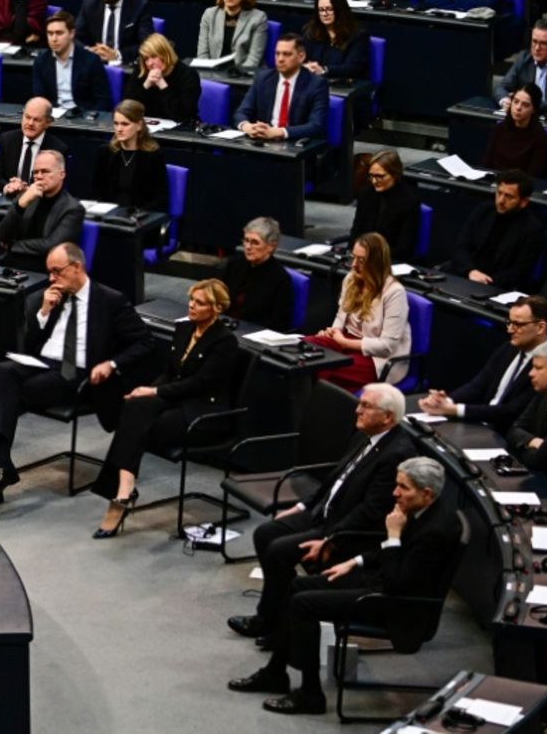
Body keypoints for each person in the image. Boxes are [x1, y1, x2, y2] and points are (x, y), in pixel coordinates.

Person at [230, 458, 460, 717]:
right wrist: (353, 562)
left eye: (403, 488)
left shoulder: (437, 531)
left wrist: (394, 535)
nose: (395, 493)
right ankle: (275, 673)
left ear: (426, 493)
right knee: (296, 586)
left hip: (395, 605)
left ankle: (310, 695)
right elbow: (387, 555)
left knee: (303, 604)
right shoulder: (422, 512)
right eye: (396, 485)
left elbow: (399, 583)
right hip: (380, 583)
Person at [0, 241, 154, 508]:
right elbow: (27, 343)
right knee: (3, 371)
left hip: (77, 371)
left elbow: (144, 342)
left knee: (8, 390)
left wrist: (112, 364)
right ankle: (0, 468)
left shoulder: (110, 300)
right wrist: (44, 312)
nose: (51, 278)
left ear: (77, 267)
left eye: (57, 271)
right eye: (49, 272)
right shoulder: (52, 296)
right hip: (42, 363)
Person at [225, 383, 414, 652]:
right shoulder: (366, 435)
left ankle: (271, 620)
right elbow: (335, 479)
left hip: (345, 530)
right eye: (360, 404)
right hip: (323, 512)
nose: (357, 410)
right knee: (265, 533)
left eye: (366, 406)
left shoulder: (396, 453)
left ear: (388, 417)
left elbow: (371, 512)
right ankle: (276, 613)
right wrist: (302, 507)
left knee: (279, 551)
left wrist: (331, 539)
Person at [91, 279, 238, 537]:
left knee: (136, 422)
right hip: (176, 399)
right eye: (191, 300)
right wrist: (147, 390)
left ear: (216, 309)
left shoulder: (225, 342)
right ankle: (124, 489)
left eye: (200, 303)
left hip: (203, 412)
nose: (192, 306)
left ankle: (121, 492)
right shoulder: (183, 329)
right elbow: (170, 373)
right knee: (135, 406)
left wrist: (155, 391)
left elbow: (200, 384)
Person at [418, 295, 547, 431]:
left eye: (518, 324)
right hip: (481, 422)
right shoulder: (509, 348)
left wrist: (453, 409)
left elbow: (510, 412)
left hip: (506, 433)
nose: (510, 330)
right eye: (509, 322)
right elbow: (478, 385)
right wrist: (446, 401)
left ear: (540, 327)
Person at [305, 232, 411, 390]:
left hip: (376, 357)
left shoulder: (394, 293)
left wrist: (344, 342)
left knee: (325, 368)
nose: (354, 265)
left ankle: (316, 409)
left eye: (361, 260)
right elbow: (341, 317)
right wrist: (333, 332)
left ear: (376, 263)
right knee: (303, 347)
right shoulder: (351, 279)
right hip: (345, 341)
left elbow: (387, 346)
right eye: (353, 257)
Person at [445, 170, 546, 291]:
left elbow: (519, 273)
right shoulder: (484, 211)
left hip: (498, 287)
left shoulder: (533, 229)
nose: (501, 200)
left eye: (509, 196)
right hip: (467, 275)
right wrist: (471, 271)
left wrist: (485, 280)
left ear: (523, 202)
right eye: (499, 193)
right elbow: (461, 247)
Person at [0, 149, 85, 272]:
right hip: (13, 262)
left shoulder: (73, 209)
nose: (39, 177)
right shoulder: (27, 197)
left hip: (46, 268)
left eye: (45, 172)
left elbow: (51, 245)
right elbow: (2, 235)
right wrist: (21, 204)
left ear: (62, 174)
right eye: (35, 172)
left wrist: (13, 245)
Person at [234, 33, 330, 141]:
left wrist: (278, 132)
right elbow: (242, 112)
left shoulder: (316, 84)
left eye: (287, 54)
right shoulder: (263, 79)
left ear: (301, 56)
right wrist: (248, 127)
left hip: (293, 143)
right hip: (263, 141)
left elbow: (316, 125)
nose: (280, 59)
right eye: (277, 54)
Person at [93, 99, 169, 211]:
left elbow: (160, 200)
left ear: (139, 125)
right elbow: (96, 192)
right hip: (109, 217)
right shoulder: (105, 152)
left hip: (139, 219)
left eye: (125, 124)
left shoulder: (153, 156)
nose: (119, 129)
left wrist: (137, 216)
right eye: (116, 123)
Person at [507, 339, 547, 484]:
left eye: (538, 368)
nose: (531, 374)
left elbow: (538, 461)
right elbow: (513, 430)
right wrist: (533, 441)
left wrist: (524, 444)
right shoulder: (544, 395)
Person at [222, 216, 295, 332]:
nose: (248, 247)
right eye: (246, 240)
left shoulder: (280, 279)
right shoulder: (234, 264)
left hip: (251, 335)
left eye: (255, 242)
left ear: (271, 246)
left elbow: (278, 323)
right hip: (225, 326)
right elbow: (218, 299)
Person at [74, 0, 154, 65]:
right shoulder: (89, 5)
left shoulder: (139, 7)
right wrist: (89, 51)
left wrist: (116, 54)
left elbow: (147, 45)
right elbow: (74, 37)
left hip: (125, 66)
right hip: (95, 65)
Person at [31, 12, 112, 113]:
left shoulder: (91, 60)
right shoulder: (41, 60)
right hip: (53, 116)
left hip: (82, 117)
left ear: (72, 33)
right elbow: (39, 97)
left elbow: (103, 100)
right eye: (50, 33)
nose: (54, 39)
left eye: (59, 33)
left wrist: (90, 118)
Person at [0, 97, 69, 195]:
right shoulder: (7, 139)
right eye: (27, 117)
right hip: (10, 199)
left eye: (36, 120)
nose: (30, 123)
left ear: (48, 122)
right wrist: (8, 186)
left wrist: (29, 191)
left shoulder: (58, 148)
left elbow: (56, 186)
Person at [349, 149, 419, 262]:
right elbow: (356, 230)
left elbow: (405, 247)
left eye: (380, 176)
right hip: (362, 256)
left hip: (389, 260)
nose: (374, 181)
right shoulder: (366, 193)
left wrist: (373, 257)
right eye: (371, 176)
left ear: (395, 175)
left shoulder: (409, 201)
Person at [197, 0, 270, 73]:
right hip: (213, 74)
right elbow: (202, 55)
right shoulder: (209, 15)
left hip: (243, 76)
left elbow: (253, 61)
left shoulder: (258, 18)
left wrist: (235, 75)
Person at [123, 32, 202, 123]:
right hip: (149, 129)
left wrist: (162, 85)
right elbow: (127, 110)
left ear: (166, 54)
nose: (149, 63)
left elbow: (181, 115)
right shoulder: (141, 72)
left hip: (181, 131)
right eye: (146, 59)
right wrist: (146, 85)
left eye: (153, 56)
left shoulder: (188, 75)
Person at [481, 83, 547, 179]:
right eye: (516, 101)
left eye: (525, 105)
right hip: (493, 185)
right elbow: (486, 166)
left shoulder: (540, 137)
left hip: (519, 189)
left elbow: (533, 177)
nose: (518, 108)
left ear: (533, 109)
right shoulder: (499, 129)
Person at [495, 19, 547, 114]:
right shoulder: (524, 58)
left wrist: (530, 105)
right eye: (534, 41)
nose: (537, 48)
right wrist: (505, 100)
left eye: (543, 43)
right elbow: (502, 87)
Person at [302, 0, 369, 80]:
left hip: (343, 86)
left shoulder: (357, 35)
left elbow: (353, 68)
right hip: (315, 84)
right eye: (321, 10)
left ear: (339, 10)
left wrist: (324, 70)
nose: (325, 14)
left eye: (329, 9)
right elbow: (302, 59)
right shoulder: (311, 32)